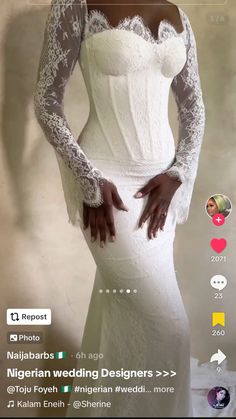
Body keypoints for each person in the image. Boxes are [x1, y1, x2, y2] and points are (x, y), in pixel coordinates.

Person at [34, 0, 205, 416]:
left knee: (121, 311)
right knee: (171, 328)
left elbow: (193, 106)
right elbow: (47, 103)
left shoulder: (176, 13)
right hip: (107, 186)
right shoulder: (74, 6)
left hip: (161, 188)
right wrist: (88, 180)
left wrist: (179, 173)